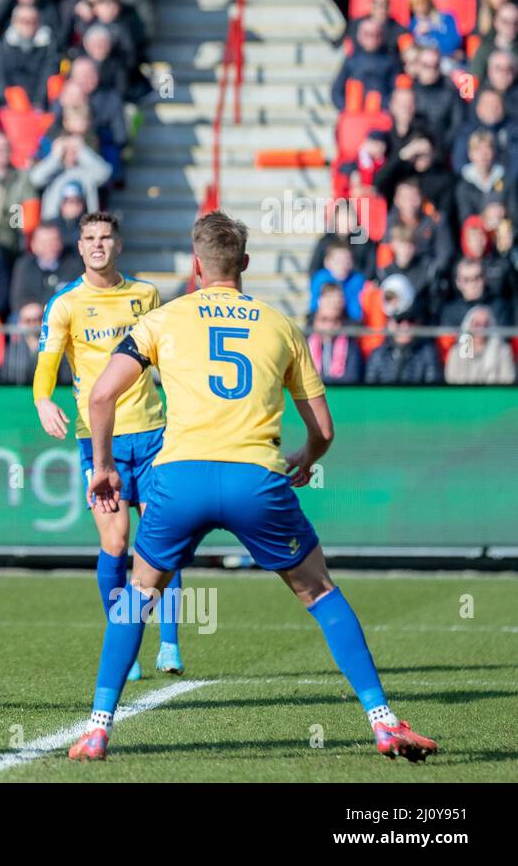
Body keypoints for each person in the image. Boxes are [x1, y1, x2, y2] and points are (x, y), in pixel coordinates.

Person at [72, 210, 438, 762]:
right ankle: (383, 721)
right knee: (319, 590)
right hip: (256, 479)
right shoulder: (281, 325)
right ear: (244, 263)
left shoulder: (163, 319)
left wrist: (102, 465)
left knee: (137, 595)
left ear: (196, 267)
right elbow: (324, 430)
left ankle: (98, 729)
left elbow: (101, 397)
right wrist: (305, 458)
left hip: (180, 478)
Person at [33, 212, 182, 680]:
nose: (98, 245)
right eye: (89, 238)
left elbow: (167, 360)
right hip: (99, 441)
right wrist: (41, 399)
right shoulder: (65, 304)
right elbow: (47, 362)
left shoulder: (146, 295)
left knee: (161, 541)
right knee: (115, 542)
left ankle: (171, 644)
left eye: (105, 237)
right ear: (79, 248)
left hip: (153, 433)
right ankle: (127, 646)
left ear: (119, 243)